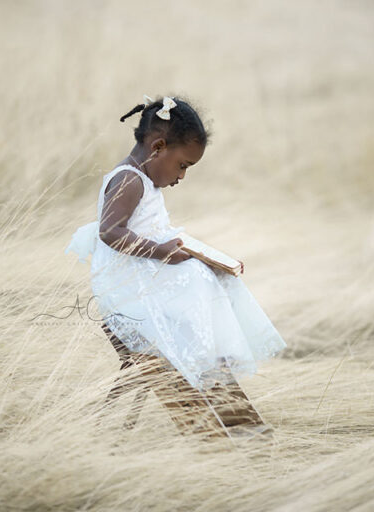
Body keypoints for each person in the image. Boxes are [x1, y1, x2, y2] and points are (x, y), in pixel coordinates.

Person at [65, 95, 287, 440]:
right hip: (125, 292)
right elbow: (110, 232)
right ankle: (203, 369)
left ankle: (216, 379)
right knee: (194, 279)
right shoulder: (129, 181)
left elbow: (156, 236)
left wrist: (211, 260)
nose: (182, 176)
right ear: (158, 147)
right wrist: (161, 252)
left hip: (141, 280)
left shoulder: (145, 180)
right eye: (183, 165)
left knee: (206, 276)